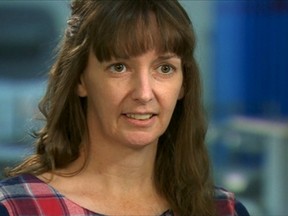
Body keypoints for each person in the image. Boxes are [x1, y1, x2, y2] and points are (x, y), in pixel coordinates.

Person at [0, 0, 250, 215]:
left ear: (183, 84)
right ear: (80, 79)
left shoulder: (222, 210)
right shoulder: (18, 207)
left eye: (164, 68)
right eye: (119, 67)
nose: (143, 93)